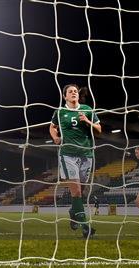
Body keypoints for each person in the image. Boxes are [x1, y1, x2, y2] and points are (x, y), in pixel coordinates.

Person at [49, 84, 101, 238]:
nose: (73, 93)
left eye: (75, 91)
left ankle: (73, 212)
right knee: (76, 191)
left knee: (82, 191)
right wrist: (56, 138)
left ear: (78, 95)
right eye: (70, 91)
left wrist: (87, 120)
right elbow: (52, 127)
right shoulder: (60, 112)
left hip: (86, 154)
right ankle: (86, 227)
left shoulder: (87, 109)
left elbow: (99, 129)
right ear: (65, 96)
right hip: (67, 154)